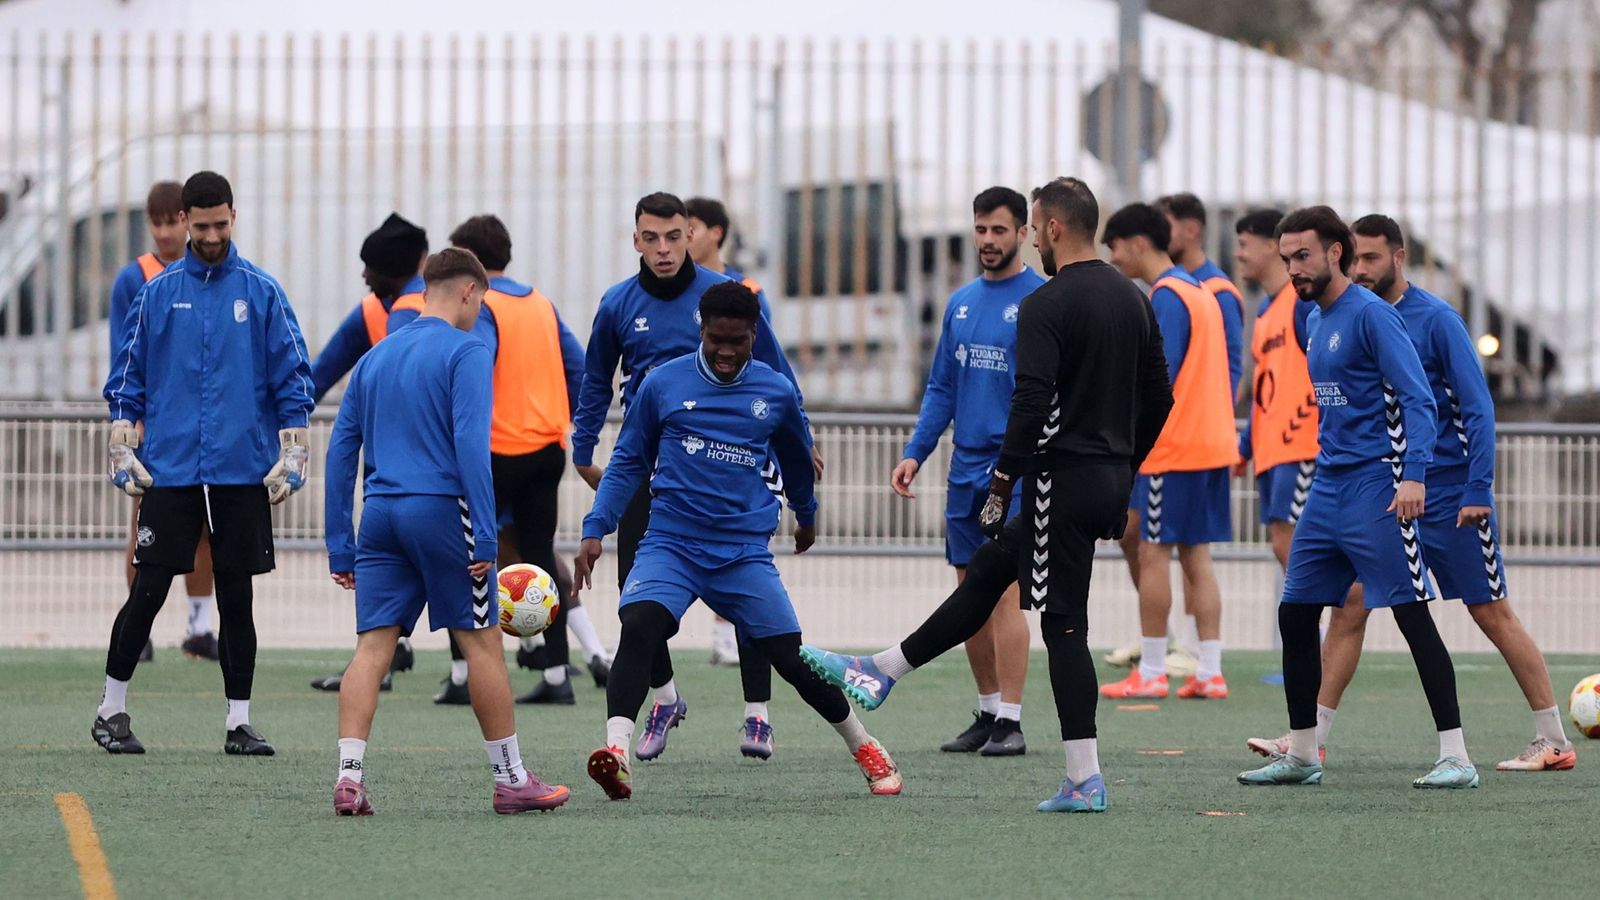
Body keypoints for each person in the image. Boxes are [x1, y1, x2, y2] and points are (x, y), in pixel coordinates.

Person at [801, 177, 1174, 813]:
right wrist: (1124, 468)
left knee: (1062, 624)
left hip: (1057, 478)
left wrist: (1004, 481)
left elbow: (1031, 402)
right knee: (987, 575)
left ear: (1051, 228)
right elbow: (1160, 396)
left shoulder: (1046, 304)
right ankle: (883, 669)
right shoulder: (1134, 298)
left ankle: (1084, 779)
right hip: (1103, 475)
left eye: (1030, 225)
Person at [1247, 214, 1574, 772]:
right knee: (1346, 607)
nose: (1364, 267)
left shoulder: (1429, 320)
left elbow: (1472, 407)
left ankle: (1550, 740)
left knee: (1487, 610)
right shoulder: (1316, 317)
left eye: (1372, 258)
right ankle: (1309, 741)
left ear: (1389, 257)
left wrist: (1474, 485)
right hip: (1365, 488)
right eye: (1287, 259)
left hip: (1441, 493)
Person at [575, 281, 901, 800]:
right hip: (672, 543)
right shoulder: (661, 384)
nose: (726, 352)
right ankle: (615, 753)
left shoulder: (774, 392)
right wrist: (596, 528)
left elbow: (797, 459)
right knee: (638, 624)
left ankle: (864, 744)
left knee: (791, 659)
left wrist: (807, 515)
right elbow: (629, 461)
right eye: (716, 340)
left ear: (755, 335)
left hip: (741, 551)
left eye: (738, 341)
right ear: (700, 331)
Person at [1237, 206, 1478, 790]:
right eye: (1287, 257)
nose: (1294, 267)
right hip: (1328, 486)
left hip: (1378, 486)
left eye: (1304, 256)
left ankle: (1457, 756)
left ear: (1335, 254)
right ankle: (1301, 754)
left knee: (1410, 613)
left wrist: (1414, 473)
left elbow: (1420, 400)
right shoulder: (1309, 317)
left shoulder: (1372, 317)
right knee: (1295, 613)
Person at [571, 192, 817, 761]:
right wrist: (583, 448)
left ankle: (757, 714)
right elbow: (594, 383)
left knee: (748, 593)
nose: (663, 249)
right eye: (650, 238)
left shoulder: (724, 299)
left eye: (674, 237)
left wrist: (802, 440)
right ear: (635, 240)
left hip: (731, 461)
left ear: (691, 237)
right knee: (638, 601)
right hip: (650, 466)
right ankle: (664, 697)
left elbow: (777, 374)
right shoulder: (616, 304)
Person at [324, 247, 569, 816]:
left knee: (372, 649)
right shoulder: (468, 351)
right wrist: (485, 532)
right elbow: (469, 449)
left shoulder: (376, 357)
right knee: (481, 643)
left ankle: (350, 777)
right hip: (441, 513)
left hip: (380, 516)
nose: (478, 311)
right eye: (480, 300)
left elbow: (340, 450)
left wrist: (341, 539)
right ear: (467, 292)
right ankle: (511, 779)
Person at [96, 170, 314, 756]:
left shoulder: (262, 291)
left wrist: (294, 446)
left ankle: (238, 723)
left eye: (222, 223)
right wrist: (121, 437)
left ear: (233, 217)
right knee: (148, 588)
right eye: (202, 224)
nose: (213, 234)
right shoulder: (157, 292)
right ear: (185, 222)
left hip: (243, 472)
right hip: (171, 470)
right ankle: (110, 709)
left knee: (236, 596)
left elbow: (294, 375)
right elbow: (126, 375)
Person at [893, 186, 1043, 756]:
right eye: (980, 229)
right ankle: (986, 711)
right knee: (966, 594)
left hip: (1017, 472)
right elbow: (941, 388)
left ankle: (1012, 719)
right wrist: (915, 451)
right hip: (964, 469)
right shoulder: (959, 304)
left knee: (1004, 592)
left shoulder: (1040, 302)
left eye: (999, 230)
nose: (987, 240)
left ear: (1024, 233)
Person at [445, 214, 604, 705]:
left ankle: (465, 674)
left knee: (468, 554)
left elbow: (476, 363)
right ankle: (557, 675)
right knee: (540, 558)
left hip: (497, 449)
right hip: (546, 449)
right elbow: (579, 367)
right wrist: (577, 428)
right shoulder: (541, 304)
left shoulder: (484, 306)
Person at [1097, 203, 1237, 701]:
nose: (1112, 259)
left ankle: (1154, 668)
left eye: (1113, 247)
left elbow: (1159, 374)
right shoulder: (1197, 290)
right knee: (1197, 556)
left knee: (1153, 554)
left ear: (1137, 243)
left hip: (1173, 448)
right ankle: (1210, 670)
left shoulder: (1168, 297)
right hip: (1210, 443)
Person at [306, 212, 429, 693]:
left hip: (398, 478)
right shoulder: (379, 308)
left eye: (369, 267)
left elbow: (319, 380)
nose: (363, 276)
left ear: (392, 270)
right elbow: (319, 376)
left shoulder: (402, 315)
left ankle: (382, 657)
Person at [108, 180, 218, 663]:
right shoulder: (136, 278)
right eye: (157, 222)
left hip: (205, 424)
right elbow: (125, 353)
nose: (166, 231)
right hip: (156, 426)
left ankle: (198, 625)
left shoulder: (214, 275)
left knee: (204, 529)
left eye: (174, 220)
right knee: (146, 526)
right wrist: (131, 421)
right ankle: (140, 623)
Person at [685, 195, 781, 668]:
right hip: (689, 434)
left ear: (716, 232)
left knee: (740, 530)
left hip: (745, 435)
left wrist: (795, 431)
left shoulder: (746, 289)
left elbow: (772, 362)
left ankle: (734, 630)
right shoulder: (678, 292)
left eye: (692, 228)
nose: (683, 240)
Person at [1230, 209, 1322, 685]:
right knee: (1285, 547)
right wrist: (1245, 444)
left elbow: (1324, 369)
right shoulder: (1267, 312)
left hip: (1300, 445)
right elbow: (1266, 387)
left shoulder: (1300, 303)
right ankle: (1311, 653)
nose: (1239, 253)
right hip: (1271, 451)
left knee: (1297, 549)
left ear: (1272, 246)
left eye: (1245, 243)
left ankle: (1316, 652)